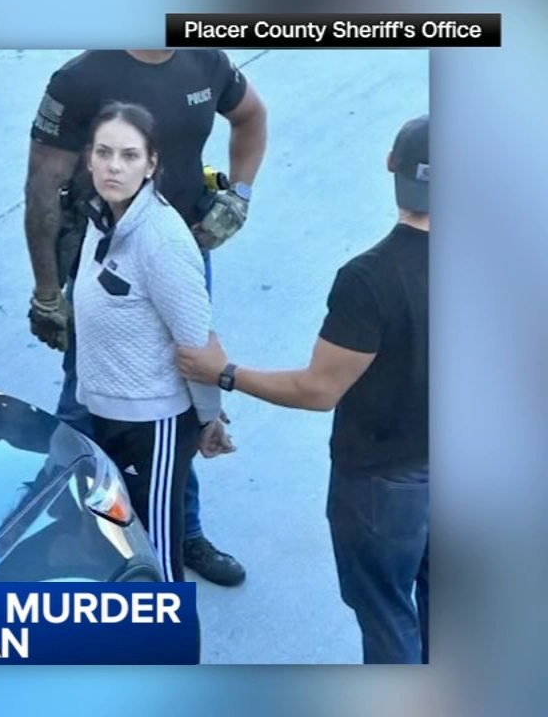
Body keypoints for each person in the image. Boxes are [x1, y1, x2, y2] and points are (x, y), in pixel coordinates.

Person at [175, 115, 430, 663]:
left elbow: (319, 390)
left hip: (382, 486)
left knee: (388, 618)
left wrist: (225, 372)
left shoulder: (371, 278)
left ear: (391, 165)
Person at [24, 49, 267, 586]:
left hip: (178, 253)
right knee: (83, 404)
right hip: (103, 250)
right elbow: (42, 186)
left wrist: (240, 196)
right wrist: (47, 291)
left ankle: (180, 535)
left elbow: (252, 116)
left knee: (172, 401)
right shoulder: (80, 79)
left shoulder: (206, 59)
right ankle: (73, 533)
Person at [70, 101, 233, 592]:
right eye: (104, 152)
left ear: (151, 163)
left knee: (159, 563)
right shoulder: (100, 219)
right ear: (89, 158)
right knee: (117, 548)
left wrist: (209, 419)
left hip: (154, 424)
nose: (114, 166)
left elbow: (196, 342)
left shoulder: (162, 239)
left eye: (128, 155)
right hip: (104, 411)